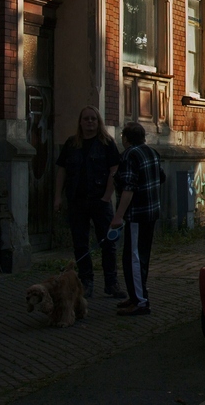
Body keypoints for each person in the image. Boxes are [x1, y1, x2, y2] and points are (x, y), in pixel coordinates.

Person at [54, 106, 127, 299]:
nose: (90, 122)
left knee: (108, 243)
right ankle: (86, 281)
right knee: (80, 243)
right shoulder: (72, 144)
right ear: (80, 122)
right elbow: (61, 170)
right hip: (77, 200)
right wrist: (58, 196)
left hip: (99, 200)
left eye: (93, 119)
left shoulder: (106, 143)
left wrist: (106, 196)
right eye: (86, 119)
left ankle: (111, 283)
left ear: (98, 122)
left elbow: (114, 170)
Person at [111, 121, 162, 316]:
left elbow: (128, 188)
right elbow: (161, 177)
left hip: (137, 215)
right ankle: (135, 296)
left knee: (133, 258)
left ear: (125, 138)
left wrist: (118, 216)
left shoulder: (129, 155)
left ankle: (140, 302)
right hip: (152, 213)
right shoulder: (152, 152)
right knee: (142, 256)